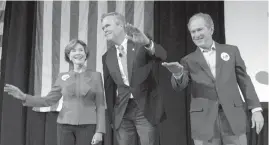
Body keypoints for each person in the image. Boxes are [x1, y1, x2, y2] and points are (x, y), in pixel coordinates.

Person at [162, 13, 264, 145]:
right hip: (204, 122)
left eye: (199, 29)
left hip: (232, 118)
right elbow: (180, 86)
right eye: (193, 31)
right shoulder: (187, 60)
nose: (196, 34)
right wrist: (177, 74)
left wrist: (256, 109)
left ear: (211, 29)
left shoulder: (231, 51)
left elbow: (244, 81)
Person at [4, 39, 106, 145]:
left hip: (89, 126)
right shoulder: (62, 77)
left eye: (81, 50)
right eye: (73, 51)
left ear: (86, 55)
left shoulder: (96, 76)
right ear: (69, 56)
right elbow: (48, 100)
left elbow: (100, 105)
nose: (78, 53)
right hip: (64, 127)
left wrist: (100, 131)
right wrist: (24, 97)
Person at [101, 12, 167, 145]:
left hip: (144, 108)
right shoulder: (107, 56)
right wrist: (112, 118)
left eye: (107, 26)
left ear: (120, 25)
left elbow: (163, 56)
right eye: (103, 28)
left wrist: (148, 43)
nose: (104, 30)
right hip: (122, 111)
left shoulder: (140, 43)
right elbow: (109, 88)